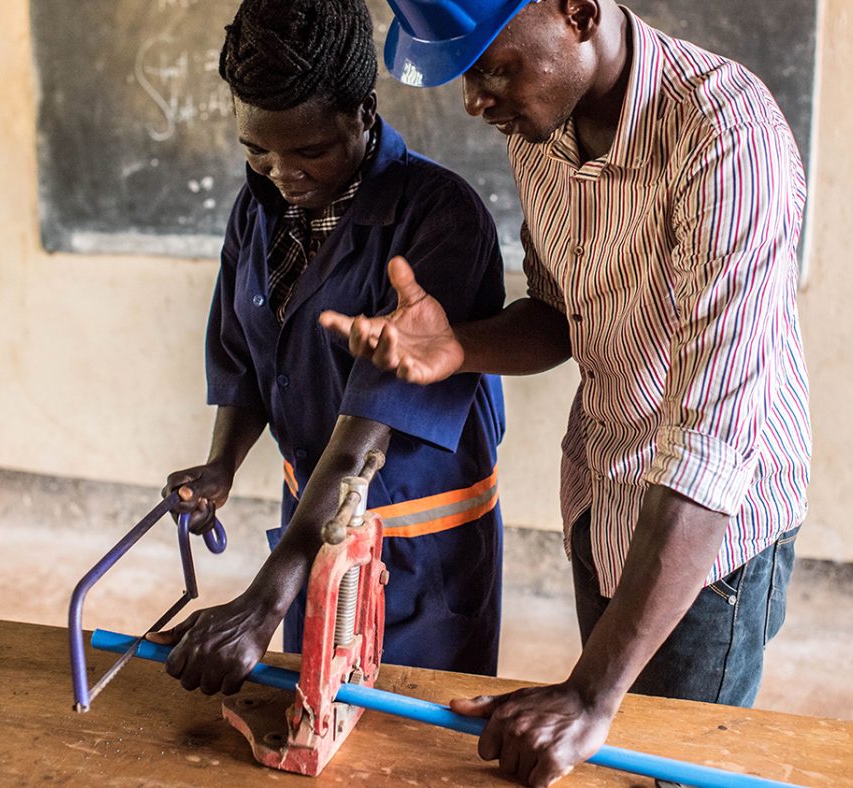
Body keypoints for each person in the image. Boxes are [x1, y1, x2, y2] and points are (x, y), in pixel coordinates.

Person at [320, 0, 811, 784]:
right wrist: (461, 348)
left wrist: (589, 691)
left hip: (710, 542)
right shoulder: (542, 129)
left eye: (492, 66)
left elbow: (710, 452)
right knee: (611, 743)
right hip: (603, 492)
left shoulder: (727, 142)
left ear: (577, 11)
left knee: (670, 765)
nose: (475, 101)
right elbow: (559, 314)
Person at [146, 0, 508, 688]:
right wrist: (222, 463)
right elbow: (247, 361)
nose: (283, 173)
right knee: (312, 707)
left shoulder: (440, 217)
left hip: (418, 547)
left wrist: (262, 598)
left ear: (363, 112)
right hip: (308, 525)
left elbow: (367, 435)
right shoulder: (258, 208)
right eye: (257, 148)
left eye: (310, 150)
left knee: (406, 730)